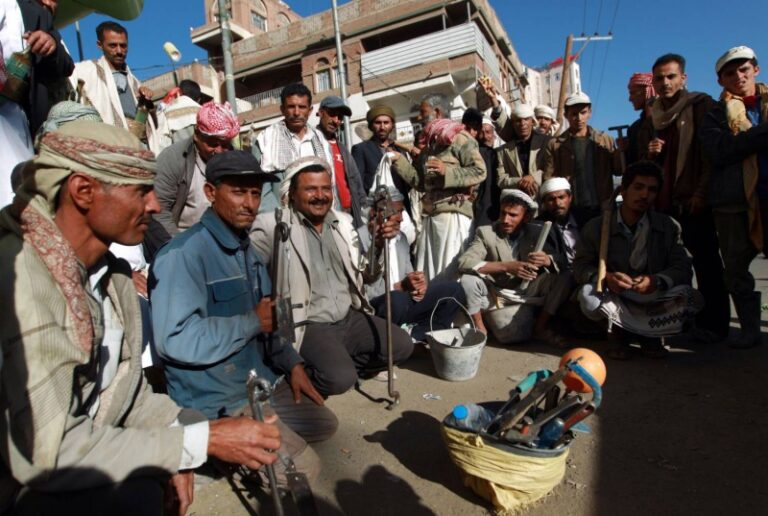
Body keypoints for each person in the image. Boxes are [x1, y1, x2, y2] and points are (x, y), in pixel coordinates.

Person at [0, 121, 283, 515]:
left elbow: (126, 395)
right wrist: (196, 443)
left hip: (93, 441)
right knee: (139, 494)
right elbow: (48, 450)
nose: (155, 205)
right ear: (83, 191)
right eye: (140, 191)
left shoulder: (111, 277)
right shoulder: (23, 279)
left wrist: (183, 440)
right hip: (28, 483)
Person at [150, 150, 336, 484]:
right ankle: (215, 444)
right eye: (238, 192)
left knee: (325, 424)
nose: (249, 203)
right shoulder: (182, 255)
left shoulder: (246, 249)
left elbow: (270, 320)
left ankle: (251, 441)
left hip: (255, 384)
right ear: (210, 192)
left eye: (254, 193)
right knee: (305, 470)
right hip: (216, 399)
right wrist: (251, 321)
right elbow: (175, 340)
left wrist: (292, 363)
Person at [251, 156, 413, 397]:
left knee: (402, 346)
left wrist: (377, 245)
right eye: (310, 189)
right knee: (339, 380)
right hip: (307, 323)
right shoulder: (272, 226)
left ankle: (339, 363)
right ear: (292, 194)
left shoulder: (343, 224)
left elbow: (367, 277)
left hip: (348, 317)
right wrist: (279, 334)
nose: (320, 195)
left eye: (325, 188)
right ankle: (301, 375)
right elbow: (253, 279)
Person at [637, 53, 730, 343]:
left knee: (707, 263)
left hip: (693, 200)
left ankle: (715, 325)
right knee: (672, 266)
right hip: (664, 204)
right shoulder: (653, 117)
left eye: (671, 76)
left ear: (683, 78)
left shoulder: (701, 106)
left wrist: (701, 192)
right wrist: (650, 153)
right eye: (659, 78)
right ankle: (677, 321)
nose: (665, 83)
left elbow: (709, 157)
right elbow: (643, 166)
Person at [573, 161, 702, 359]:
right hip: (616, 297)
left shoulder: (668, 226)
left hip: (652, 298)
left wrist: (656, 281)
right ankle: (618, 334)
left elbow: (683, 267)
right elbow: (580, 266)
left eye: (652, 190)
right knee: (588, 297)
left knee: (691, 297)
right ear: (623, 191)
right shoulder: (597, 227)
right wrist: (606, 278)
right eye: (638, 187)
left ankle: (650, 336)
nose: (644, 195)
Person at [700, 45, 768, 349]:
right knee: (736, 270)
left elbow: (737, 145)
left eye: (744, 69)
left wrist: (746, 140)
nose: (738, 76)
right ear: (720, 80)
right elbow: (720, 150)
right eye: (730, 73)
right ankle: (750, 330)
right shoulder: (715, 115)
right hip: (733, 203)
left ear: (756, 69)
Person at [391, 105, 487, 280]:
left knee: (451, 273)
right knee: (430, 275)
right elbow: (420, 183)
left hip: (454, 216)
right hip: (431, 219)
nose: (419, 118)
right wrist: (399, 161)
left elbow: (480, 171)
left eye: (423, 113)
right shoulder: (430, 145)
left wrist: (447, 172)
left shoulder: (460, 138)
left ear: (437, 112)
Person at [360, 186, 466, 343]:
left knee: (454, 290)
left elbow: (408, 276)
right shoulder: (359, 239)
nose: (401, 218)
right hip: (381, 306)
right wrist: (400, 287)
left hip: (403, 301)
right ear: (375, 214)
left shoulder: (401, 238)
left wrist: (418, 285)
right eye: (395, 212)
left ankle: (417, 335)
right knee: (396, 300)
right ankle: (396, 339)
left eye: (401, 211)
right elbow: (363, 291)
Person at [458, 189, 567, 340]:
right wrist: (507, 266)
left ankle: (540, 327)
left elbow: (561, 261)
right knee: (468, 280)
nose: (505, 220)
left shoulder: (536, 232)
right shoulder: (486, 233)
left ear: (526, 217)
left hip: (527, 291)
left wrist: (547, 259)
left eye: (513, 215)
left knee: (564, 278)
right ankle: (480, 329)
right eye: (503, 213)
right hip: (496, 293)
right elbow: (465, 262)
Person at [1, 0, 74, 207]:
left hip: (14, 122)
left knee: (18, 200)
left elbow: (66, 64)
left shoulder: (36, 13)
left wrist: (50, 45)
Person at [150, 101, 239, 251]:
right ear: (197, 135)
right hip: (183, 242)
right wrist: (180, 251)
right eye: (212, 143)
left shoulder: (235, 161)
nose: (219, 151)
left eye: (224, 145)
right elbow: (159, 211)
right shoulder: (173, 159)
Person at [541, 91, 622, 223]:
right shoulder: (555, 144)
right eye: (574, 114)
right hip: (571, 210)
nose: (579, 118)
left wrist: (620, 152)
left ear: (589, 112)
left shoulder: (604, 140)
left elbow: (618, 170)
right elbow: (549, 178)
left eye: (583, 112)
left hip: (602, 207)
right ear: (566, 115)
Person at [69, 21, 154, 141]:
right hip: (107, 143)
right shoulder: (87, 71)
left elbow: (151, 123)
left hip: (137, 144)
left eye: (123, 46)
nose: (119, 51)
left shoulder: (135, 82)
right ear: (100, 45)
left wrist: (147, 102)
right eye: (113, 45)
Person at [253, 82, 325, 213]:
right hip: (282, 216)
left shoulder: (320, 139)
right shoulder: (266, 139)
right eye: (291, 107)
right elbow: (260, 189)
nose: (296, 112)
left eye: (302, 107)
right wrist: (280, 219)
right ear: (282, 109)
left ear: (310, 110)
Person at [315, 95, 367, 226]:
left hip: (351, 213)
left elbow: (356, 181)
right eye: (332, 114)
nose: (336, 120)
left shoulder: (342, 148)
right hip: (328, 214)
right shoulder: (312, 144)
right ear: (321, 112)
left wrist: (364, 208)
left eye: (339, 117)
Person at [351, 104, 412, 202]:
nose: (382, 127)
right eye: (378, 123)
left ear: (392, 125)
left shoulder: (399, 150)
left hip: (402, 206)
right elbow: (358, 185)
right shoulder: (360, 149)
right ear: (371, 126)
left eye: (386, 122)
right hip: (377, 207)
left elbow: (409, 182)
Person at [495, 104, 550, 198]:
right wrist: (521, 181)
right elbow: (500, 180)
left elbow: (552, 168)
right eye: (518, 120)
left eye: (526, 119)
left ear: (532, 121)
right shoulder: (502, 151)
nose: (522, 124)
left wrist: (534, 177)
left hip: (543, 199)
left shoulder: (547, 143)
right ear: (512, 123)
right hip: (517, 201)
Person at [152, 79, 203, 153]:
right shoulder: (203, 111)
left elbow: (161, 142)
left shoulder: (167, 110)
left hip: (177, 156)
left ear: (179, 92)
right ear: (198, 99)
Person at [473, 117, 501, 226]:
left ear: (494, 134)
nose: (485, 137)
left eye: (488, 132)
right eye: (481, 133)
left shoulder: (498, 153)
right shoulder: (476, 153)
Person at [624, 73, 656, 166]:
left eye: (633, 93)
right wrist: (625, 150)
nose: (630, 99)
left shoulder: (668, 121)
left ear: (648, 91)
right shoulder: (634, 128)